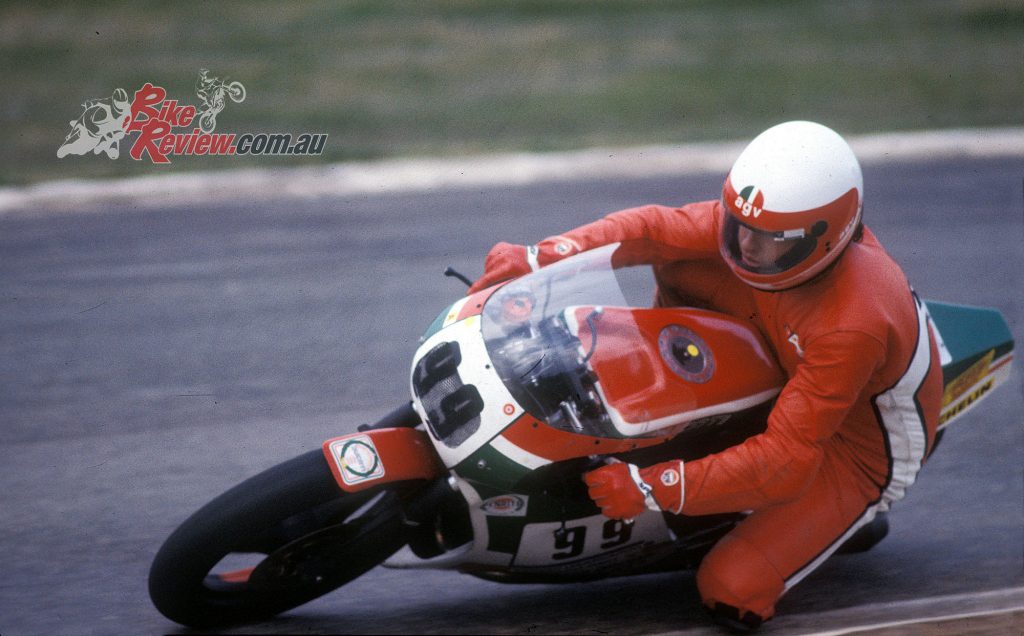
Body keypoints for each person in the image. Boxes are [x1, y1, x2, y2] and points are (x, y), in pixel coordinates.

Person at [468, 121, 944, 630]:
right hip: (769, 357)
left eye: (771, 240)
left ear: (824, 239)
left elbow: (786, 460)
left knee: (731, 588)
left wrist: (654, 487)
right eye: (739, 225)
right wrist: (542, 255)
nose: (745, 248)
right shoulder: (748, 233)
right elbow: (649, 228)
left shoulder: (853, 323)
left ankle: (836, 520)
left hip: (848, 443)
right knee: (682, 263)